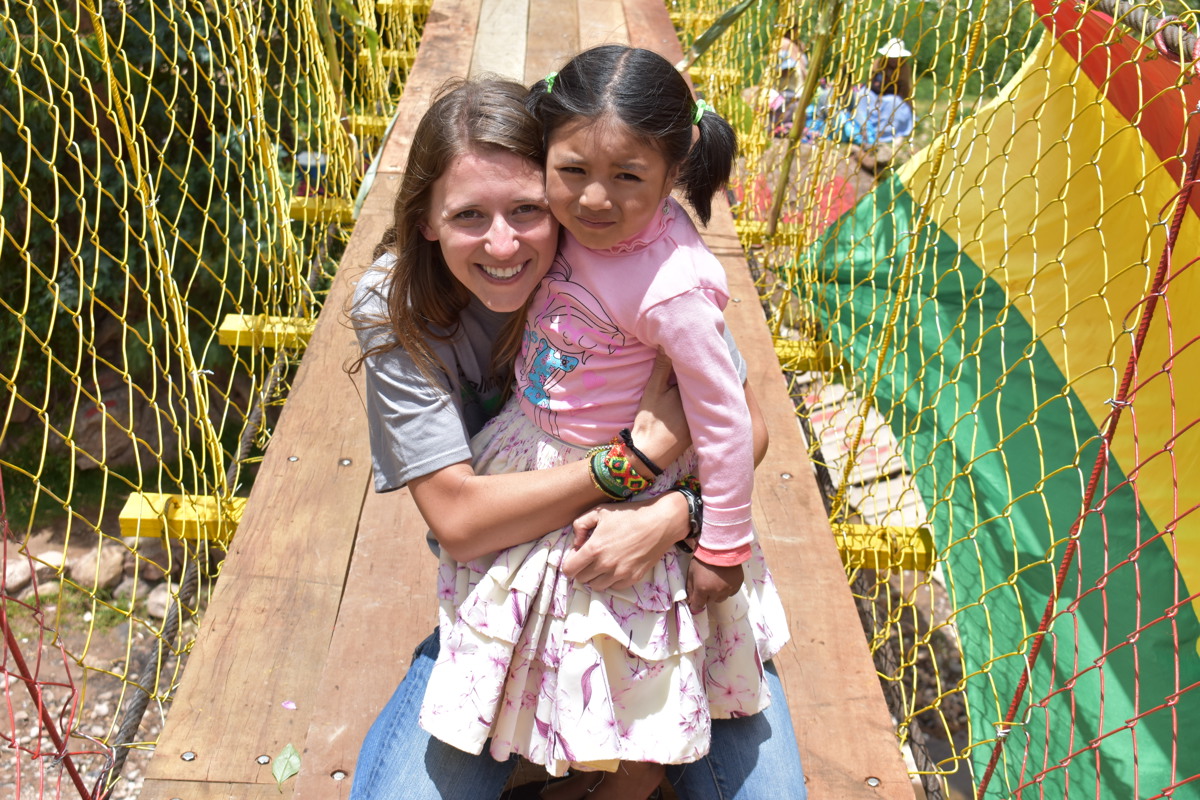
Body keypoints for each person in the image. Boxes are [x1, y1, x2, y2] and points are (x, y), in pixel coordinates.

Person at [347, 78, 806, 800]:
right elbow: (461, 523)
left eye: (527, 210)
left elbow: (743, 424)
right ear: (427, 219)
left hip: (666, 581)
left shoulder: (633, 263)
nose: (503, 244)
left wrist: (673, 518)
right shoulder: (397, 303)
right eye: (469, 215)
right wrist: (631, 461)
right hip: (509, 582)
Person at [848, 38, 915, 170]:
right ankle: (865, 129)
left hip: (894, 96)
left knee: (893, 102)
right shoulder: (878, 63)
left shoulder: (904, 68)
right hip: (875, 93)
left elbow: (904, 88)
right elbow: (872, 82)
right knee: (862, 95)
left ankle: (889, 133)